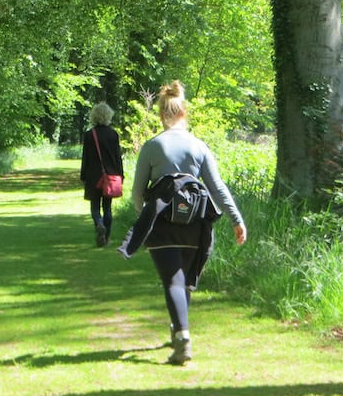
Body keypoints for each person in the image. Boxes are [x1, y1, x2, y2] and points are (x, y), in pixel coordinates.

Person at [126, 80, 247, 365]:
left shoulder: (153, 146)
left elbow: (136, 193)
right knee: (184, 283)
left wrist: (147, 216)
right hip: (197, 225)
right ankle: (178, 329)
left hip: (163, 224)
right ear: (184, 112)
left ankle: (182, 337)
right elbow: (217, 188)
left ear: (161, 114)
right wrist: (236, 219)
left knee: (172, 281)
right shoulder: (199, 146)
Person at [80, 102, 124, 247]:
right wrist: (121, 175)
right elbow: (118, 157)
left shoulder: (89, 135)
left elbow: (85, 157)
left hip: (93, 176)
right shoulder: (113, 134)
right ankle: (106, 237)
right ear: (108, 116)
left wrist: (83, 175)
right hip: (111, 176)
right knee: (107, 207)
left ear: (94, 116)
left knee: (94, 207)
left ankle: (99, 224)